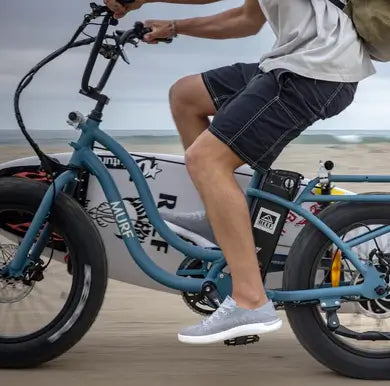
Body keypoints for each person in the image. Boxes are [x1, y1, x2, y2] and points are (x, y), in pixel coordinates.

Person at [105, 0, 375, 345]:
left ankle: (250, 300)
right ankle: (222, 218)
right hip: (293, 64)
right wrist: (174, 27)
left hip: (315, 70)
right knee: (186, 96)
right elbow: (245, 20)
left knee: (207, 160)